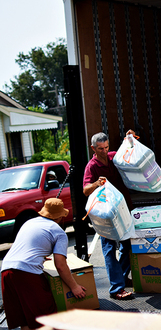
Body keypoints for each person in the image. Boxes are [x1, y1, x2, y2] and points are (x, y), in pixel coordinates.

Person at [1, 198, 86, 329]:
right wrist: (75, 287)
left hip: (6, 271)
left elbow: (28, 245)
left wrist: (40, 256)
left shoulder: (30, 222)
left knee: (26, 321)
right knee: (46, 319)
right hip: (27, 275)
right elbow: (60, 265)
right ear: (59, 218)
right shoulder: (59, 232)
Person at [83, 131, 135, 300]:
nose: (104, 151)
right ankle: (116, 288)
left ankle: (122, 277)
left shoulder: (113, 157)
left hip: (124, 210)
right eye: (100, 148)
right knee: (109, 249)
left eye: (106, 147)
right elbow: (85, 190)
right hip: (107, 216)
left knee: (128, 245)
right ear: (93, 148)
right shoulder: (91, 166)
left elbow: (129, 151)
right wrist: (97, 183)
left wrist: (130, 139)